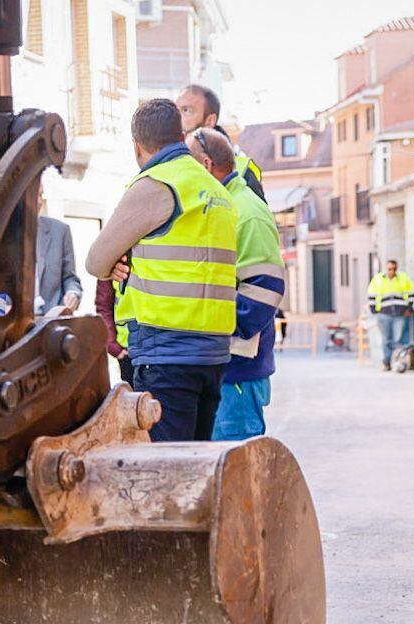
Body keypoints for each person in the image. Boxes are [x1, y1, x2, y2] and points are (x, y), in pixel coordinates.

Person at [84, 99, 237, 442]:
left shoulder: (156, 185)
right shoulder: (215, 189)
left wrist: (122, 261)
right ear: (180, 137)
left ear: (137, 145)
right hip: (213, 352)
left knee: (165, 470)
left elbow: (96, 261)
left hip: (166, 351)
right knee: (196, 465)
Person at [186, 128, 285, 440]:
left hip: (236, 369)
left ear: (204, 166)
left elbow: (264, 292)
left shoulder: (246, 213)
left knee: (236, 471)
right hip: (221, 366)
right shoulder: (222, 206)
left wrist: (214, 330)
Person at [175, 83, 266, 201]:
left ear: (210, 121)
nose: (177, 118)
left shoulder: (242, 174)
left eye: (187, 110)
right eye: (175, 110)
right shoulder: (169, 162)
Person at [36, 189, 82, 317]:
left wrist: (73, 293)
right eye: (35, 194)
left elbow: (70, 278)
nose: (40, 201)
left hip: (52, 323)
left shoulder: (60, 231)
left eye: (41, 194)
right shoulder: (4, 233)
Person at [367, 260, 414, 371]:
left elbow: (411, 294)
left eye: (394, 269)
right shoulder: (377, 279)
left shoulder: (403, 278)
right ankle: (386, 362)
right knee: (386, 339)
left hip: (400, 313)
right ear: (385, 268)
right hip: (384, 313)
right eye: (389, 269)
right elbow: (371, 295)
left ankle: (397, 362)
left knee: (398, 339)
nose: (391, 271)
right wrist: (374, 310)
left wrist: (409, 308)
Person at [97, 277, 132, 386]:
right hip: (127, 350)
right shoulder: (111, 261)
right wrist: (113, 346)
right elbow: (104, 306)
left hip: (162, 345)